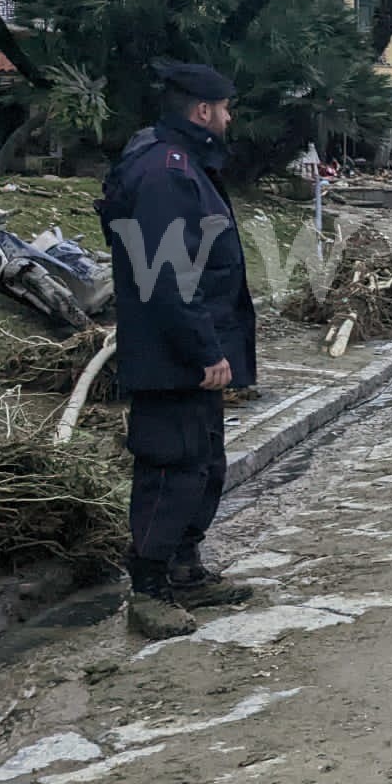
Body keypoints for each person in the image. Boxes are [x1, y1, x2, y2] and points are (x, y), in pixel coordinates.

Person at [98, 59, 260, 639]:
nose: (230, 116)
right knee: (170, 468)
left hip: (192, 352)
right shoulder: (166, 172)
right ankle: (148, 592)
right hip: (174, 358)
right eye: (225, 108)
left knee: (202, 464)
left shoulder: (181, 161)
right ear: (202, 112)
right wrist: (203, 351)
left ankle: (185, 571)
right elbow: (165, 274)